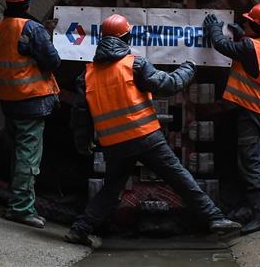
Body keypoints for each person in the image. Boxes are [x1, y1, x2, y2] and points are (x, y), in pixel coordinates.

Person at [64, 14, 240, 246]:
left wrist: (82, 142)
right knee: (180, 178)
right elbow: (168, 85)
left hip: (114, 144)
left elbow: (80, 115)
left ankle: (80, 229)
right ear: (126, 37)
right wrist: (189, 68)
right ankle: (216, 218)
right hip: (145, 137)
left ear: (101, 39)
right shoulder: (134, 64)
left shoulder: (86, 76)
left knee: (110, 190)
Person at [203, 3, 260, 234]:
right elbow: (256, 58)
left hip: (252, 112)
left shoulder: (250, 47)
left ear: (255, 26)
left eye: (247, 22)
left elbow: (224, 46)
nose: (243, 23)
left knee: (250, 162)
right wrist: (242, 36)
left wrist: (214, 30)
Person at [0, 0, 61, 229]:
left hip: (10, 101)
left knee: (19, 155)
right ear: (29, 1)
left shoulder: (1, 26)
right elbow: (53, 61)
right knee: (29, 158)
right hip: (32, 100)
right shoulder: (32, 29)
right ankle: (21, 209)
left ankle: (16, 203)